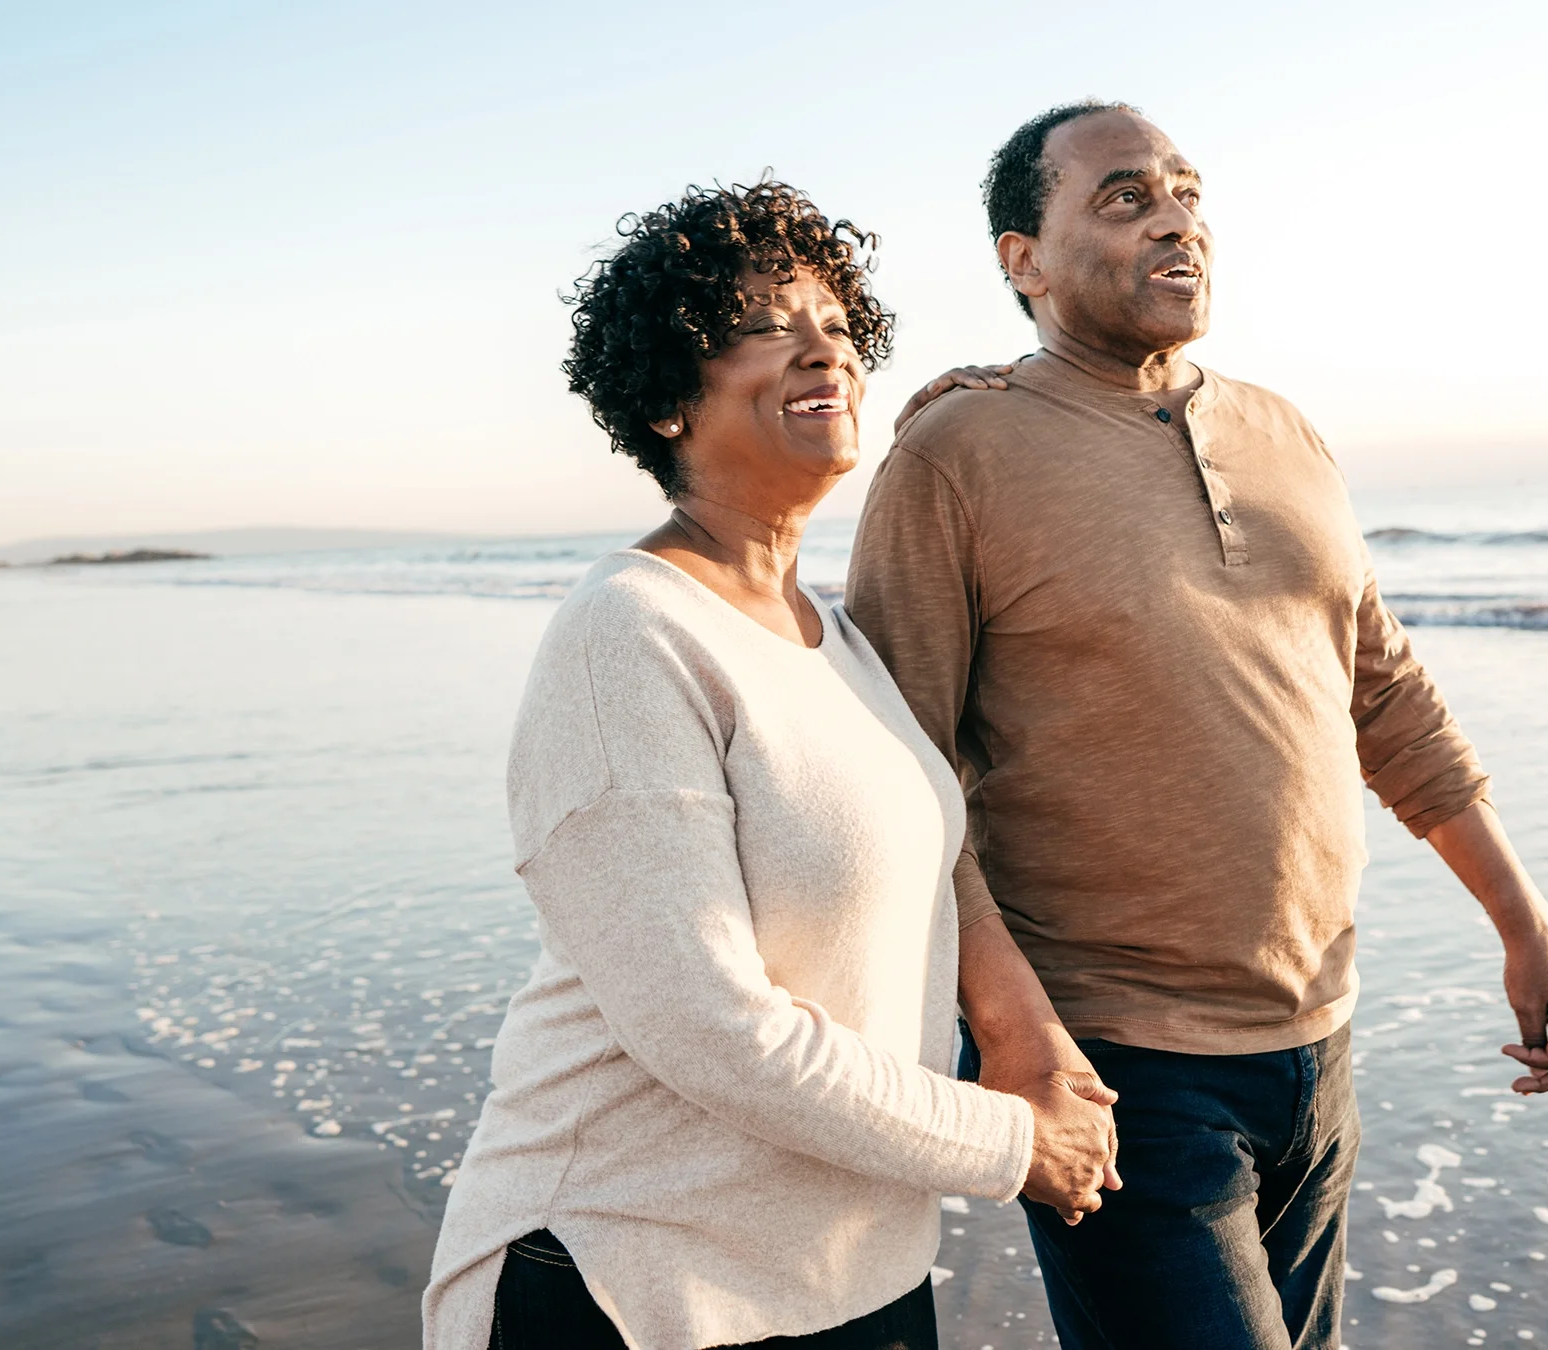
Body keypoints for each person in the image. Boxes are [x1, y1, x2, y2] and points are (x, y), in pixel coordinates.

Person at [846, 103, 1548, 1350]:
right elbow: (901, 780)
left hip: (1318, 1040)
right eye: (1125, 197)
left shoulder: (1286, 432)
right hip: (1117, 1058)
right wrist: (1014, 1032)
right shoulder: (955, 454)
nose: (1176, 217)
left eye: (1187, 192)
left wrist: (1525, 925)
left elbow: (1386, 697)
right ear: (1020, 258)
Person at [422, 181, 1117, 1350]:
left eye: (840, 328)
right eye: (764, 327)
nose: (822, 351)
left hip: (856, 1272)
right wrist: (1011, 1145)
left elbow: (934, 870)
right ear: (663, 400)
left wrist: (1025, 1031)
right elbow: (712, 1029)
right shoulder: (629, 636)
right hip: (634, 1278)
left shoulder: (833, 639)